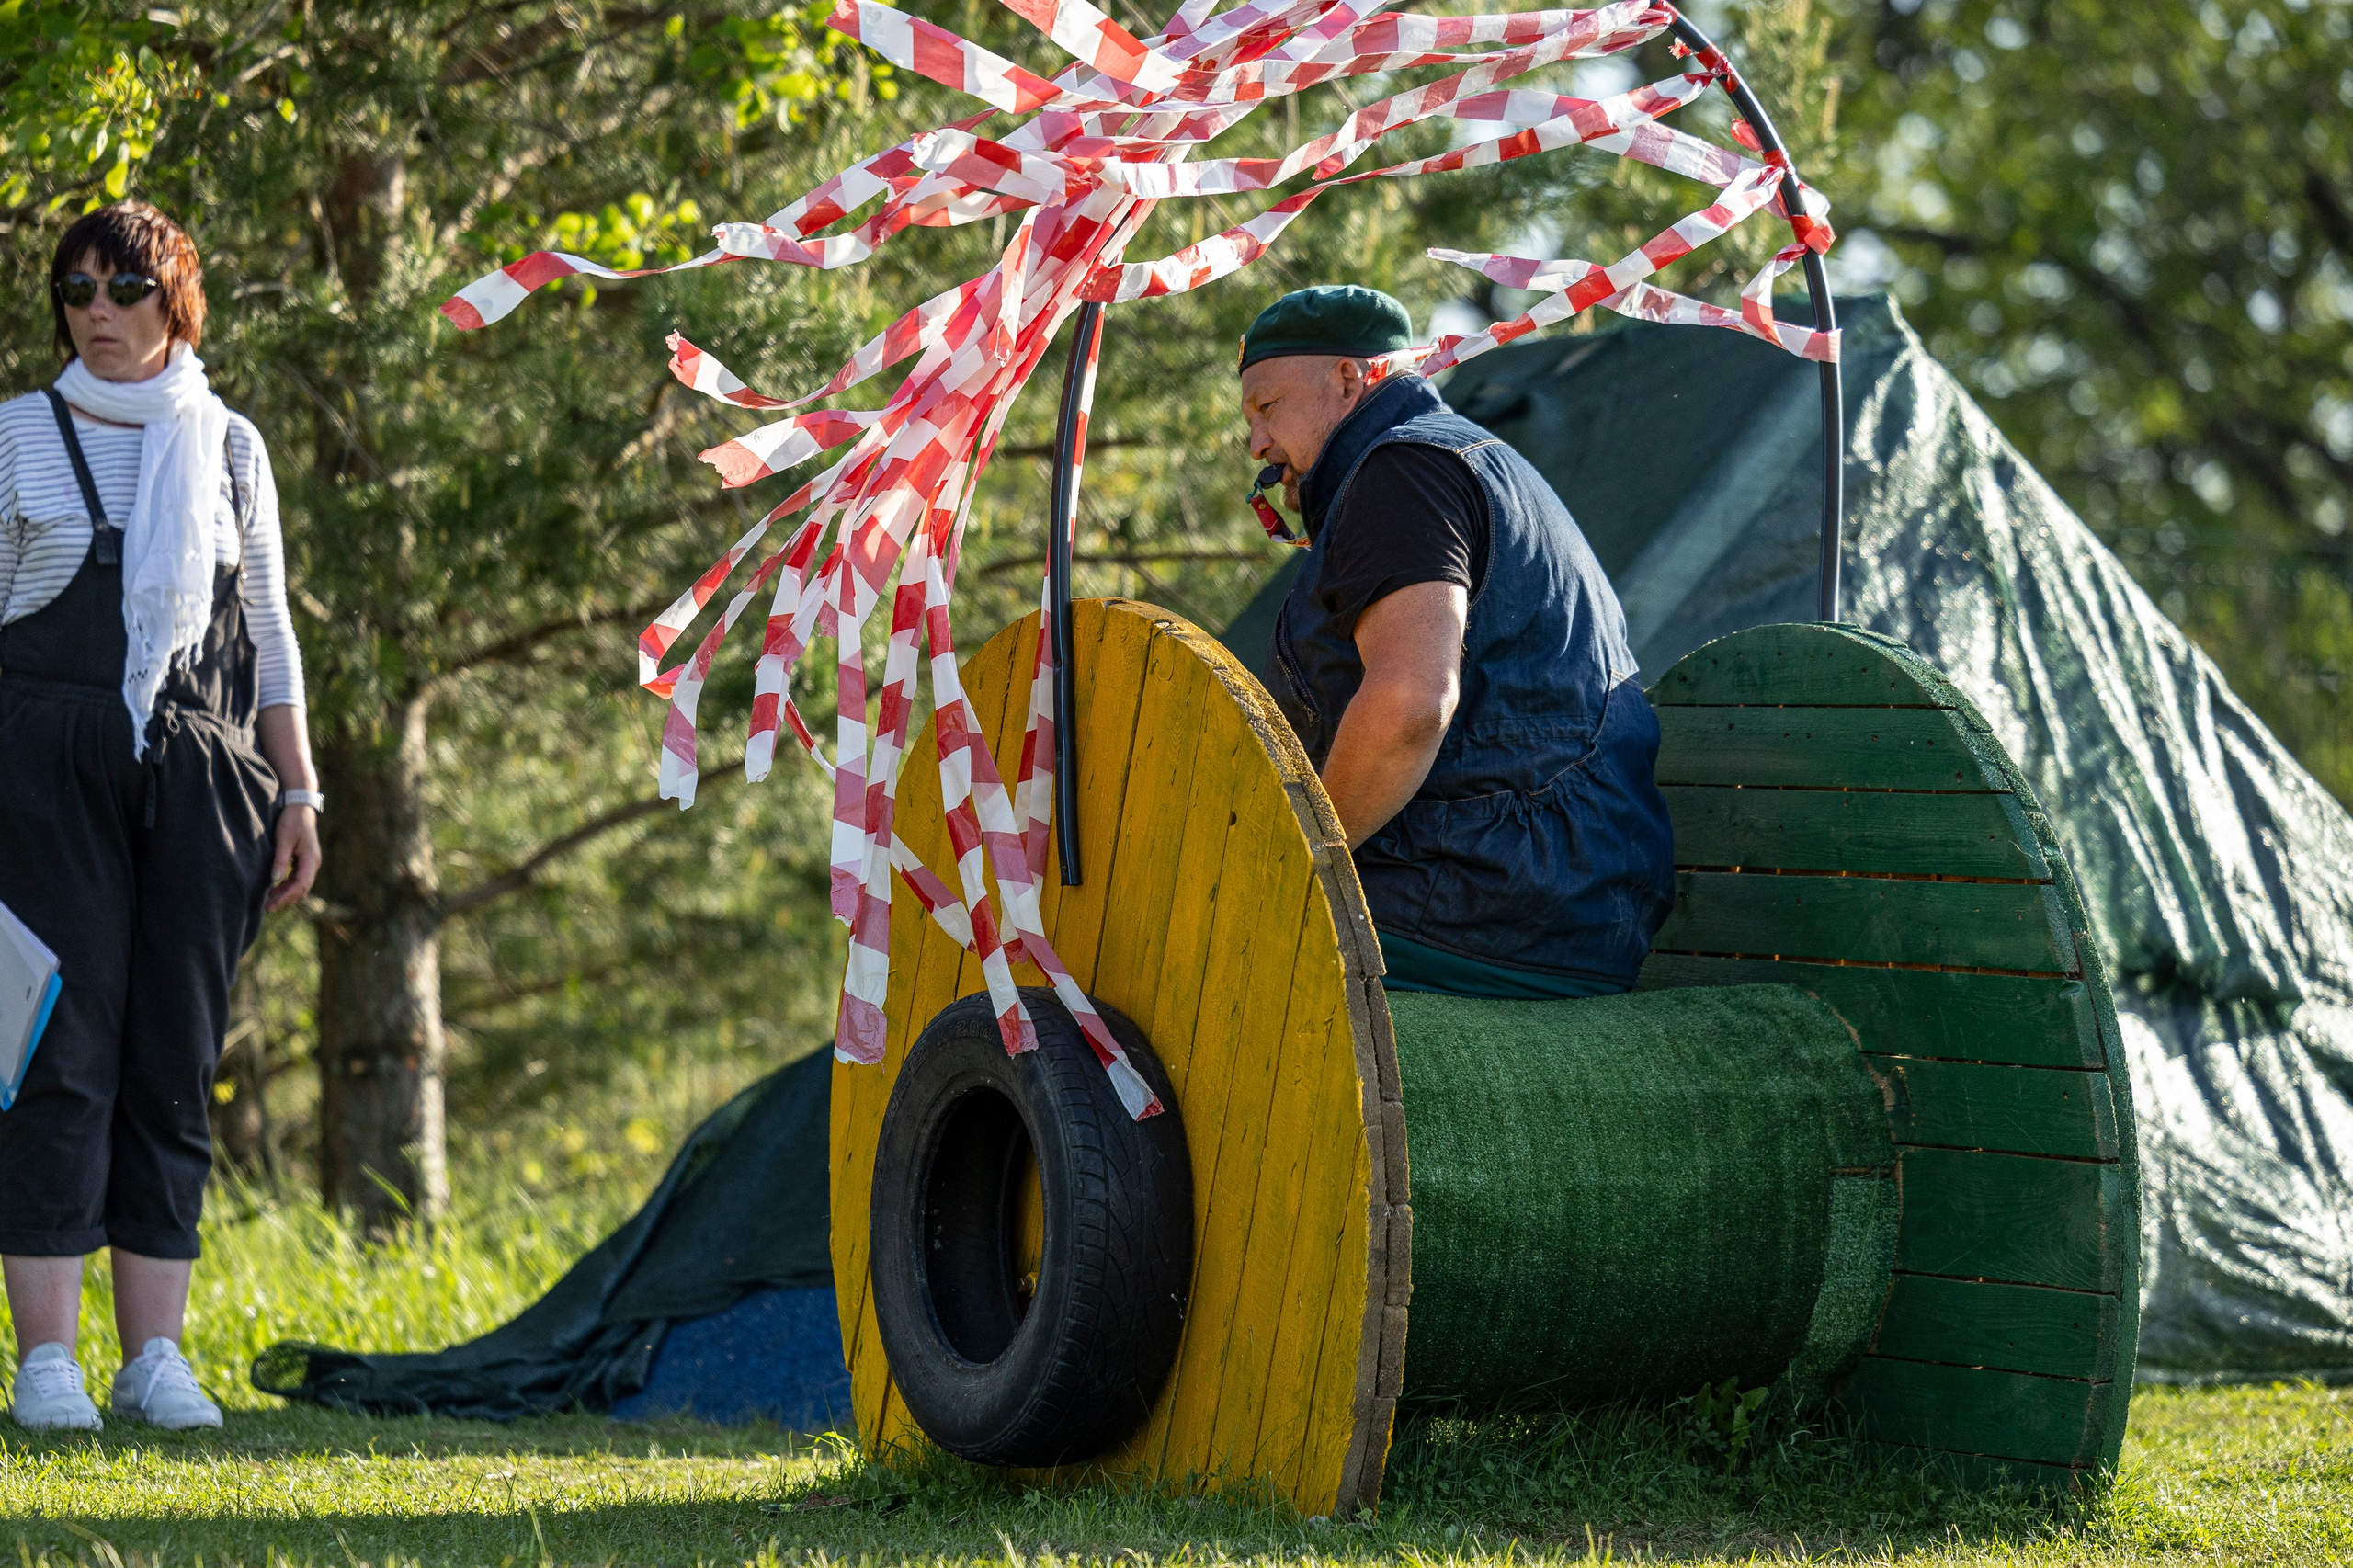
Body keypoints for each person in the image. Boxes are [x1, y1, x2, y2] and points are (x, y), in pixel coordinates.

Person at [0, 202, 323, 1432]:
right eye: (76, 289)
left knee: (174, 1053)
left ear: (175, 299)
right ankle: (47, 1361)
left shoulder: (231, 446)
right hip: (45, 767)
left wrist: (299, 790)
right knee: (54, 1042)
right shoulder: (16, 436)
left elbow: (272, 634)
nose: (98, 310)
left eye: (125, 288)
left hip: (202, 772)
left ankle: (154, 1358)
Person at [1241, 284, 1673, 998]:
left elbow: (1411, 706)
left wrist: (1289, 870)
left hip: (1490, 898)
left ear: (1348, 379)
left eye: (1267, 406)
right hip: (1564, 894)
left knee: (1200, 943)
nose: (1257, 443)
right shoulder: (1448, 456)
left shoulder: (1401, 472)